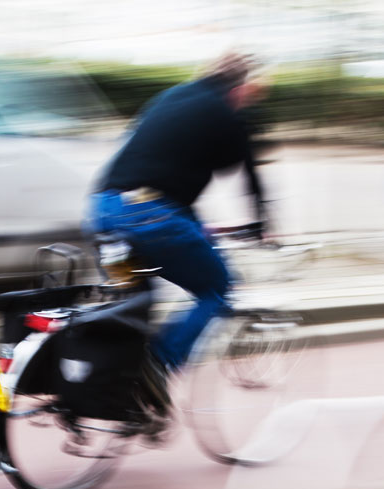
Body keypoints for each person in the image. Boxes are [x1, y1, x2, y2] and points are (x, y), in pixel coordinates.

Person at [86, 51, 270, 374]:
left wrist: (195, 225)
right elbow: (250, 178)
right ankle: (159, 368)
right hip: (150, 218)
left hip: (105, 212)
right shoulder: (226, 114)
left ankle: (121, 388)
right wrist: (261, 226)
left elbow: (157, 168)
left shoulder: (173, 95)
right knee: (217, 289)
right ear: (240, 89)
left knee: (135, 304)